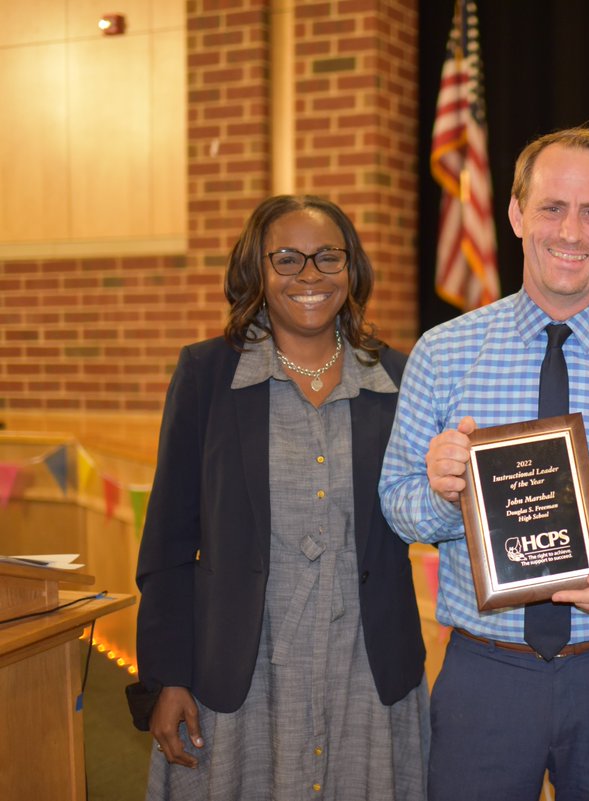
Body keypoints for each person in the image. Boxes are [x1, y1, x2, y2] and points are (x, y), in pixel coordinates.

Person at [379, 126, 589, 801]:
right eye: (552, 207)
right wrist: (440, 491)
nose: (571, 230)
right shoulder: (443, 354)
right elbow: (397, 501)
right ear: (516, 213)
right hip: (484, 672)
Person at [132, 195, 428, 799]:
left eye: (327, 257)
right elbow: (167, 545)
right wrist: (166, 678)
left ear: (352, 269)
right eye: (287, 259)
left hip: (366, 673)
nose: (310, 276)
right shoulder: (206, 377)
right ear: (256, 271)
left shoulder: (398, 381)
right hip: (239, 677)